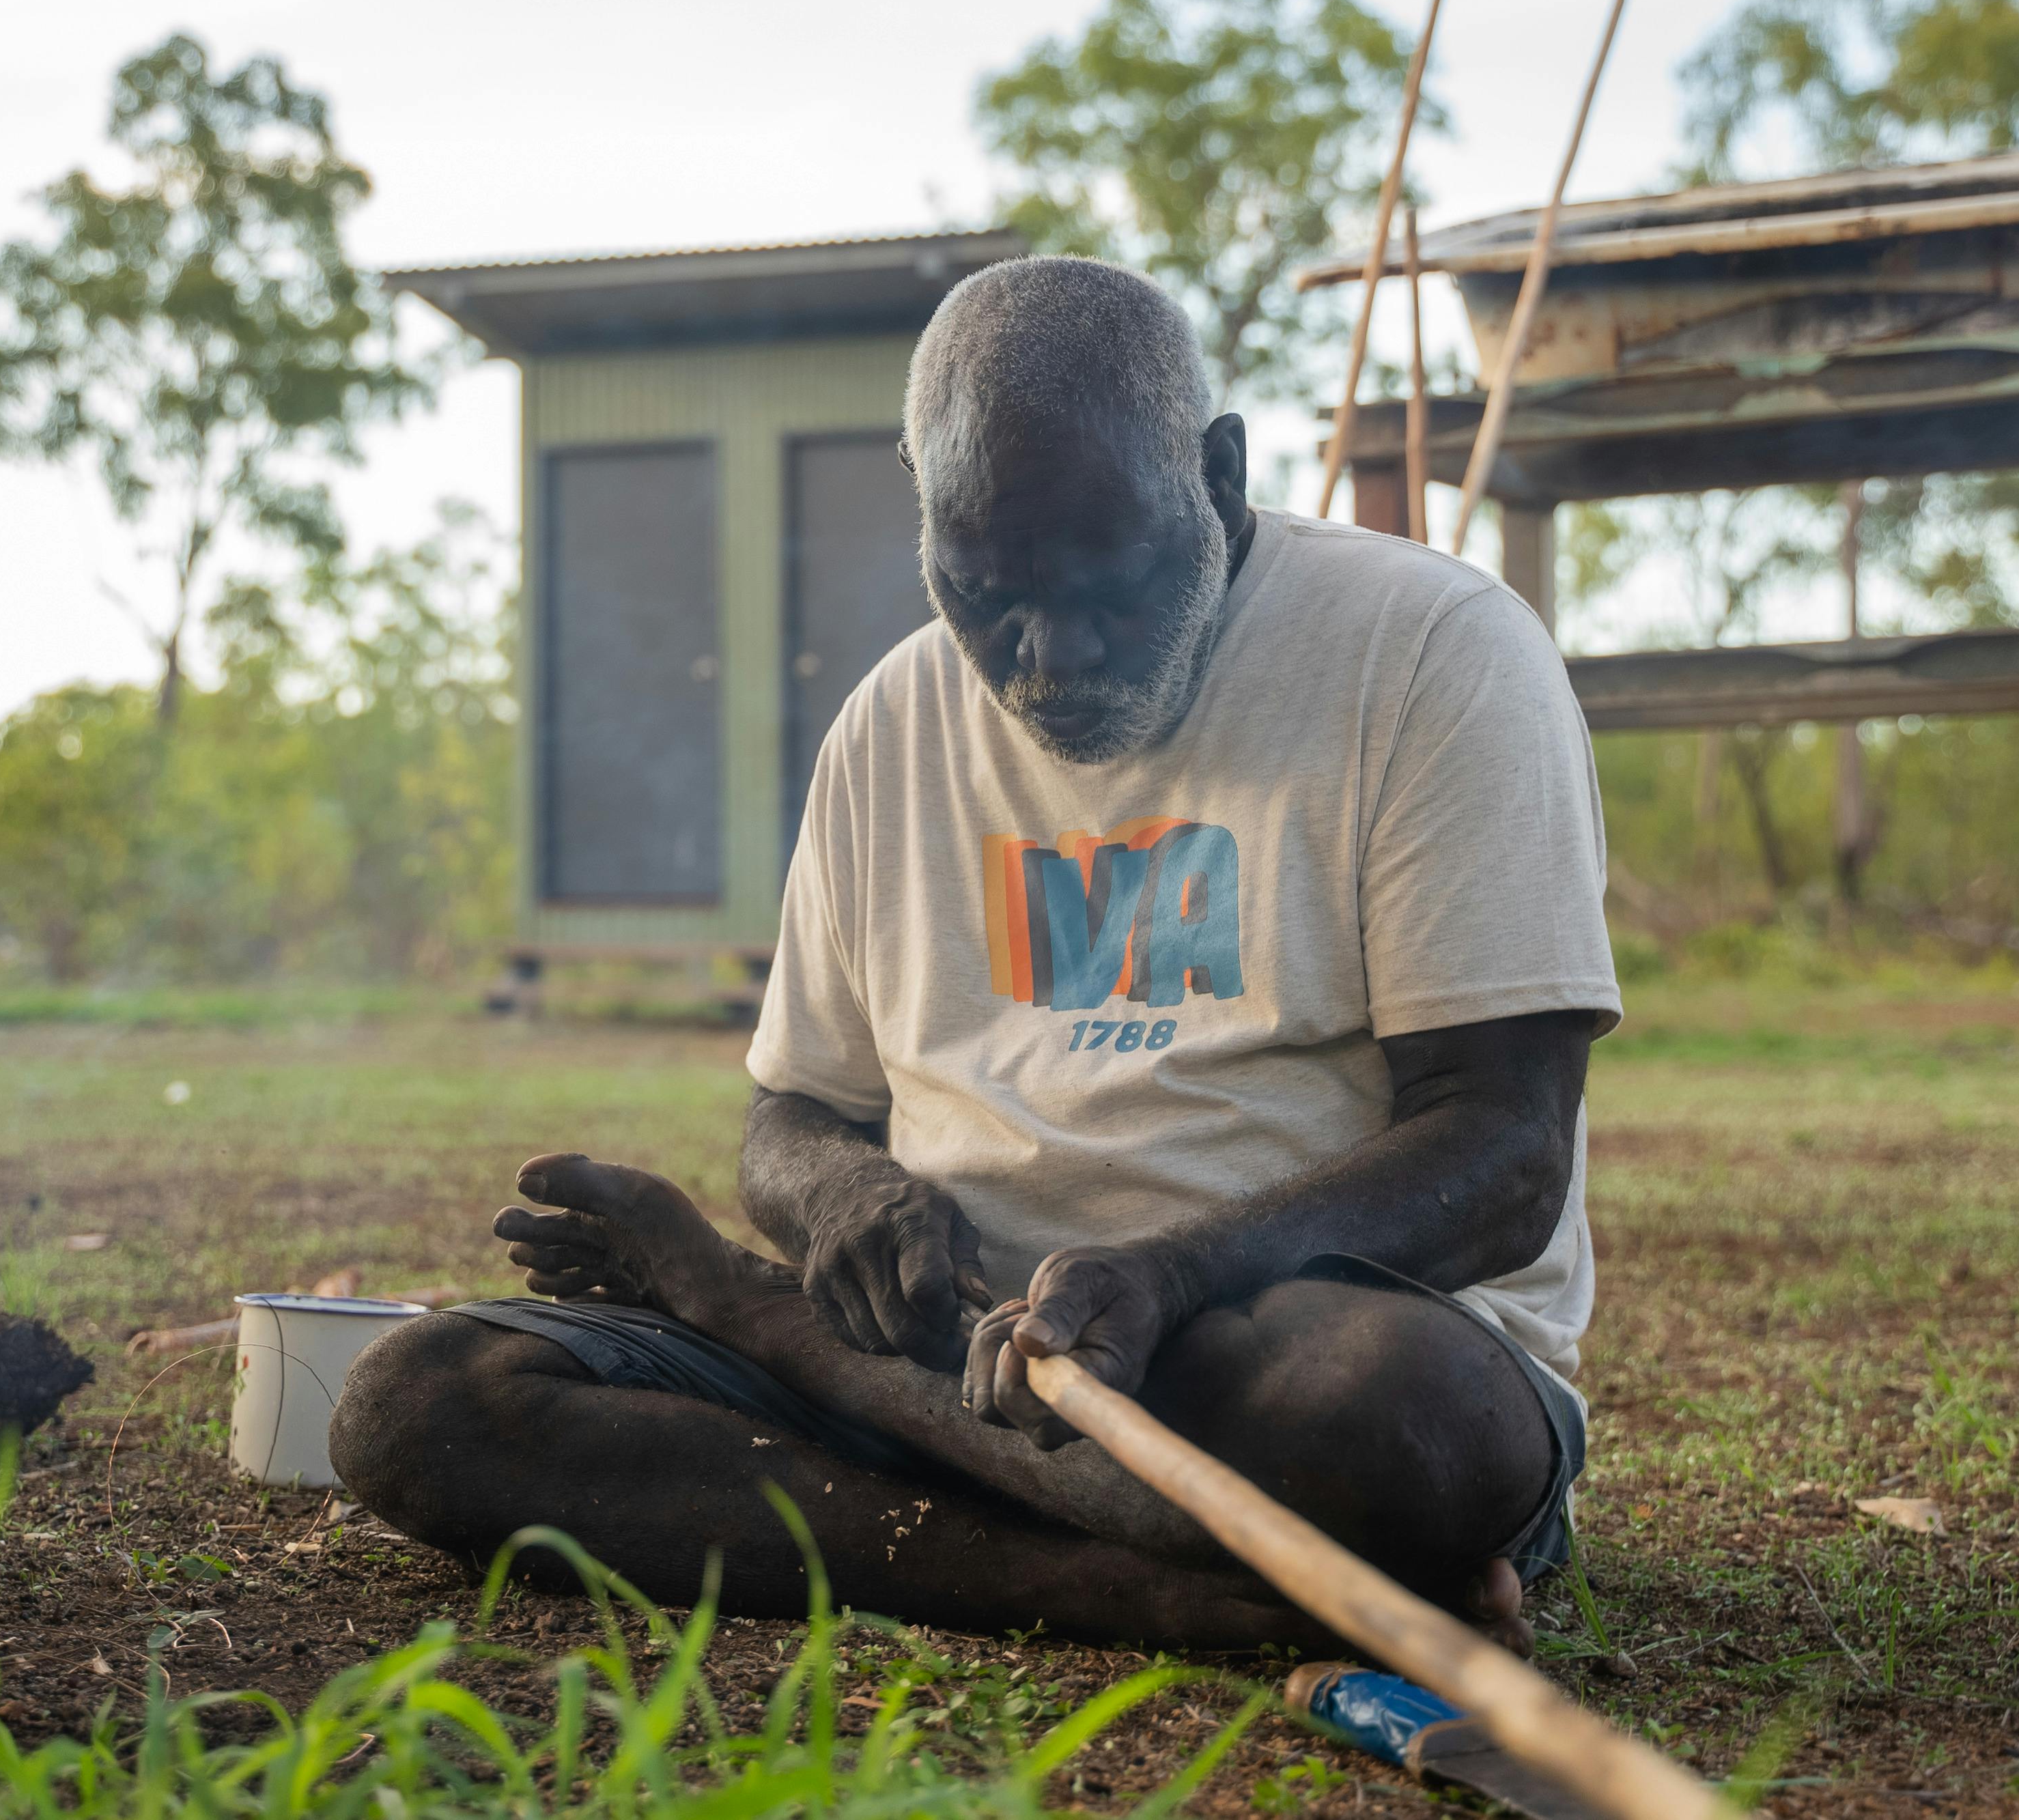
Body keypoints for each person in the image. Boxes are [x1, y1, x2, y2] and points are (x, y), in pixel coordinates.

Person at [334, 257, 1620, 1654]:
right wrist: (840, 1192)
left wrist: (1175, 1274)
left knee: (1391, 1421)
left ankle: (775, 1332)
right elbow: (792, 1118)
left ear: (1222, 473)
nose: (1050, 656)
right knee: (419, 1399)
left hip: (1254, 1356)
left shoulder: (1432, 650)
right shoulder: (889, 722)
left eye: (1108, 580)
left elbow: (1504, 1151)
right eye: (988, 592)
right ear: (928, 522)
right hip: (939, 1347)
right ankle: (1146, 1587)